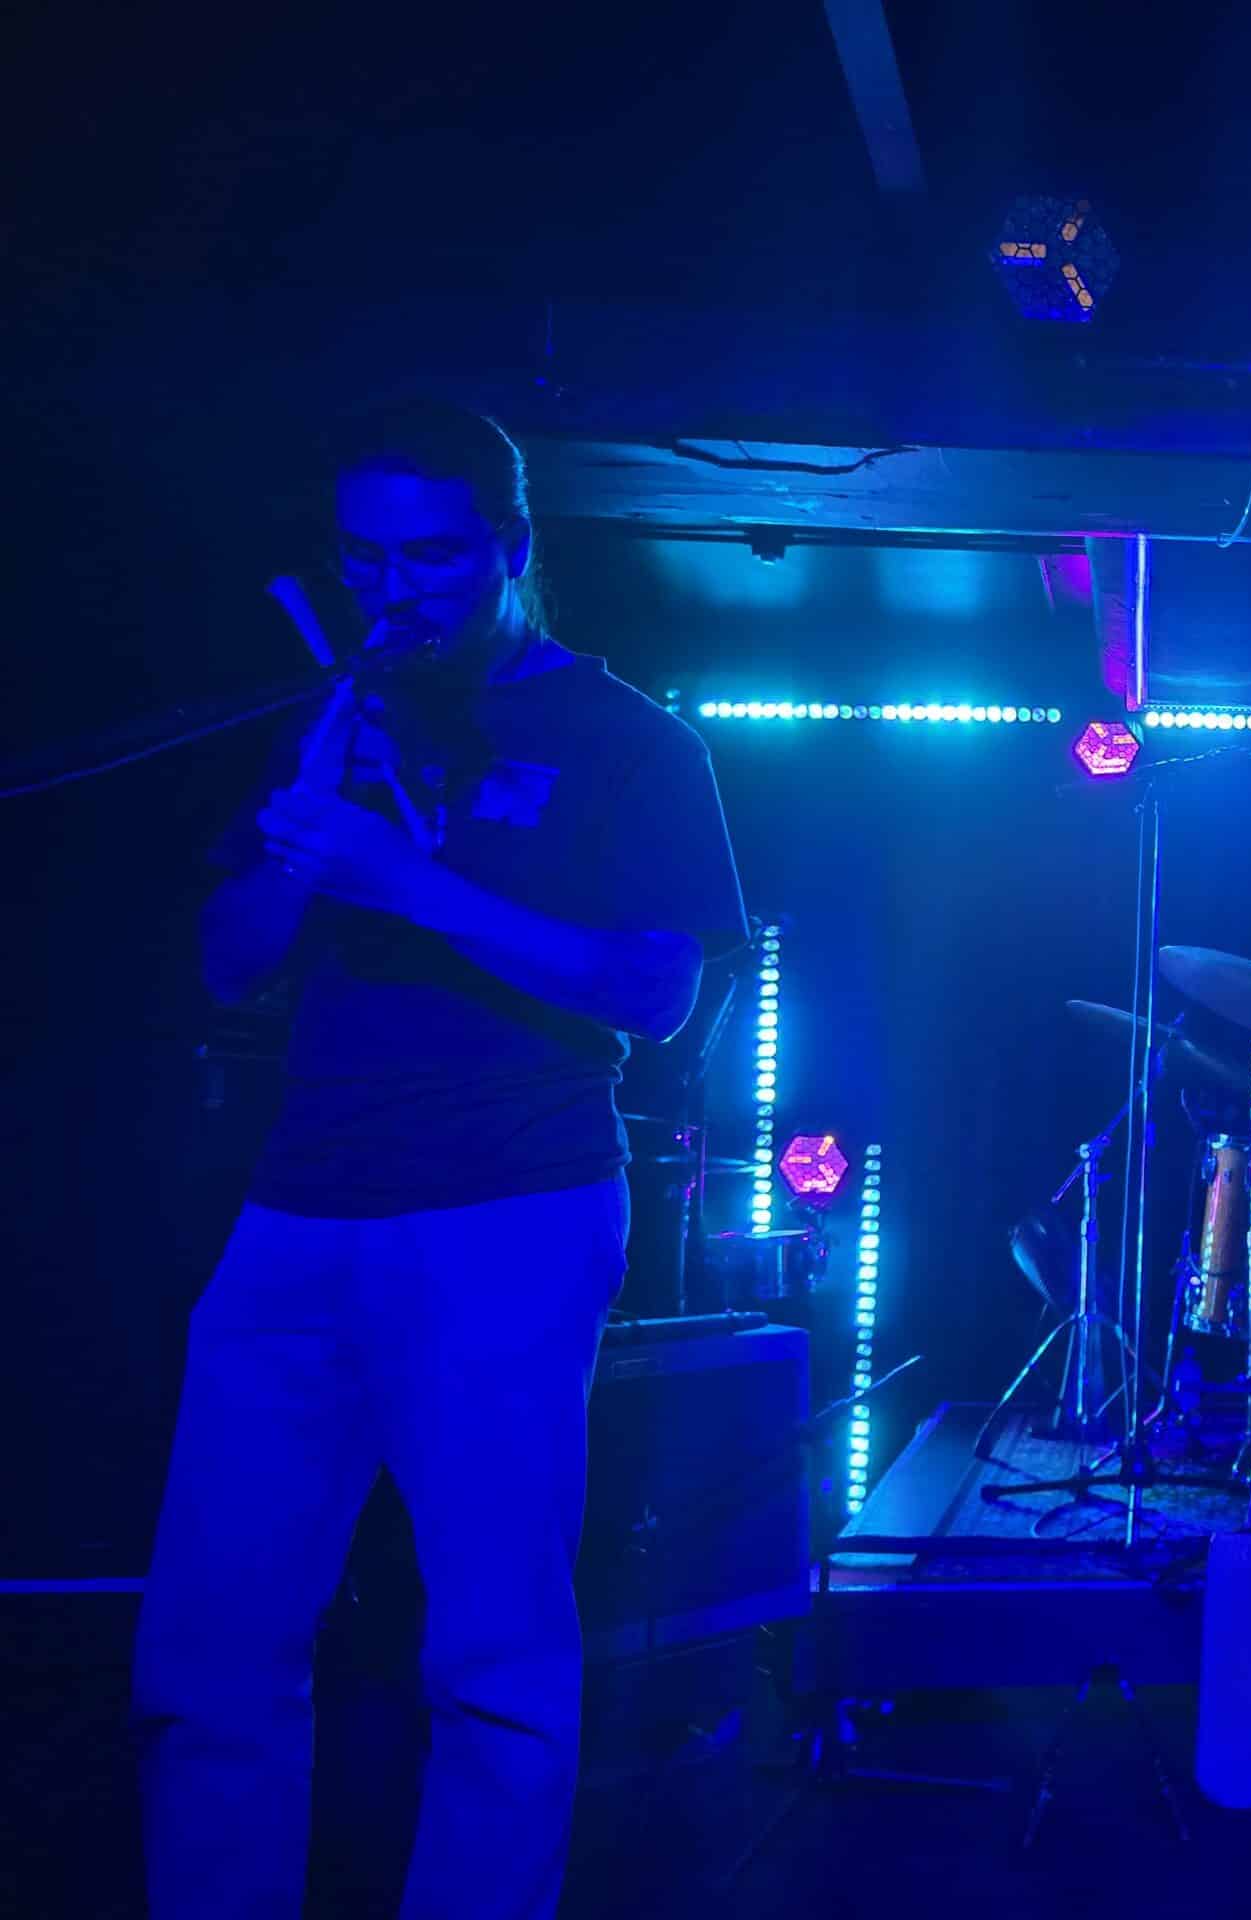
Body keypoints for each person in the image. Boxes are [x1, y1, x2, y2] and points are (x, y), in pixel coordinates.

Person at [131, 399, 749, 1917]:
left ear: (512, 546)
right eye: (364, 559)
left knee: (494, 1656)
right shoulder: (339, 711)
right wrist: (305, 835)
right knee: (208, 1648)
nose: (393, 591)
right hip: (297, 1207)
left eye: (432, 558)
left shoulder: (631, 740)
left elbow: (655, 993)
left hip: (509, 1210)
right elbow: (225, 964)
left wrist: (409, 882)